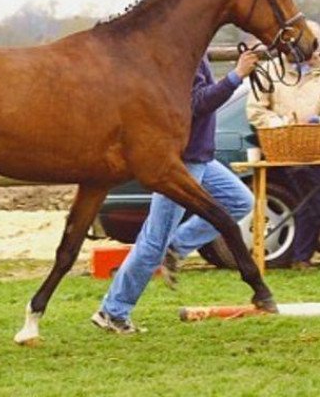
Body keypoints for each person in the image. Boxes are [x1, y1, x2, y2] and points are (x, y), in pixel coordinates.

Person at [92, 50, 259, 333]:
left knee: (239, 200)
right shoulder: (186, 56)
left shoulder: (198, 51)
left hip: (201, 158)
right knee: (154, 240)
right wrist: (236, 76)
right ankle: (112, 311)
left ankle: (177, 246)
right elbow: (196, 103)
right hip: (182, 161)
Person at [246, 21, 320, 270]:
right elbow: (256, 111)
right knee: (310, 193)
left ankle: (303, 256)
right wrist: (280, 123)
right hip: (283, 150)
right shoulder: (269, 71)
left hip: (314, 147)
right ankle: (301, 256)